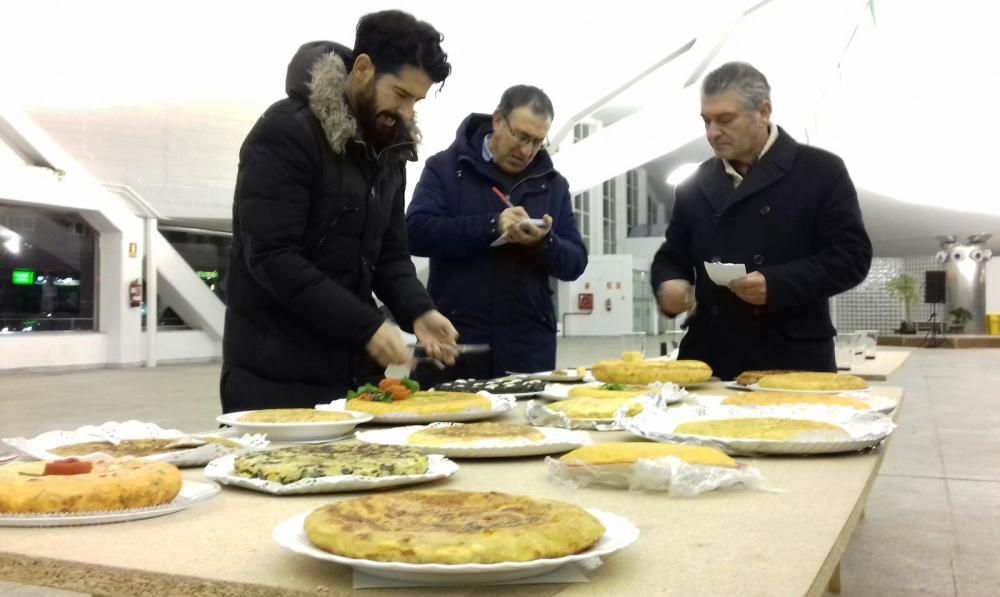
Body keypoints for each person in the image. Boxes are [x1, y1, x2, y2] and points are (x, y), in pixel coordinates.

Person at [221, 10, 459, 413]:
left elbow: (390, 254)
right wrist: (366, 327)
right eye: (400, 95)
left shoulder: (389, 149)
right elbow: (273, 257)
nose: (406, 113)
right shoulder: (285, 133)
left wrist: (419, 310)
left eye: (416, 102)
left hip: (351, 376)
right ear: (363, 68)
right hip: (275, 380)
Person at [651, 62, 872, 380]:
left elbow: (851, 258)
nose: (713, 132)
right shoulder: (694, 184)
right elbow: (673, 256)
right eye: (706, 120)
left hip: (791, 359)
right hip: (709, 361)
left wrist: (776, 284)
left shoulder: (820, 171)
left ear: (763, 112)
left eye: (725, 119)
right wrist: (669, 283)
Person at [406, 85, 587, 381]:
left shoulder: (553, 185)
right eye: (521, 136)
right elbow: (415, 232)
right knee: (442, 424)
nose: (527, 150)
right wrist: (492, 225)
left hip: (526, 348)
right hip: (455, 341)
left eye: (538, 142)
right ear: (498, 120)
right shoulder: (446, 169)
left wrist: (544, 242)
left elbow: (576, 262)